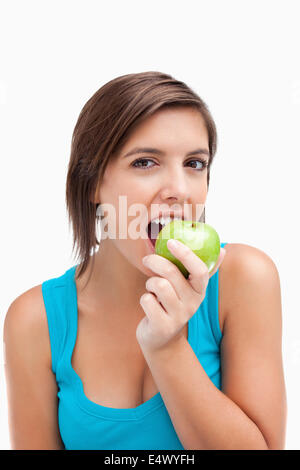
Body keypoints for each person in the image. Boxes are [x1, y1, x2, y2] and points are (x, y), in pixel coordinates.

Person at [4, 71, 287, 450]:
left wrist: (167, 347)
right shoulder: (34, 321)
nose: (180, 191)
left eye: (195, 164)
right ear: (92, 183)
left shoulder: (244, 280)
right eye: (145, 163)